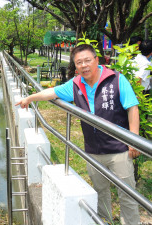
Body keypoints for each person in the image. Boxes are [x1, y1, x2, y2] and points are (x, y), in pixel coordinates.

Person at [15, 44, 141, 225]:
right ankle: (104, 221)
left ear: (97, 60)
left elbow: (132, 107)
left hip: (118, 149)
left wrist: (133, 139)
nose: (84, 65)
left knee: (127, 195)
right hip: (93, 150)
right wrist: (29, 98)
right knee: (100, 191)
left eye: (87, 60)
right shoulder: (75, 84)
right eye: (79, 62)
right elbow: (51, 92)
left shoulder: (116, 80)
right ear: (75, 66)